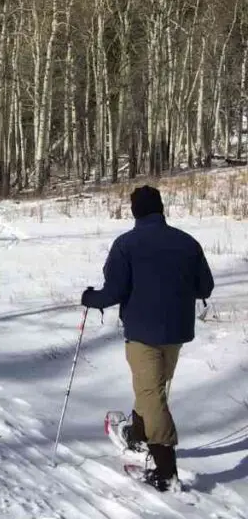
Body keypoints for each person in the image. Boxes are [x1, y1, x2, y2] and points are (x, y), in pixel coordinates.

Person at [82, 185, 214, 492]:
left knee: (152, 394)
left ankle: (166, 471)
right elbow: (204, 287)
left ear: (135, 211)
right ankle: (139, 436)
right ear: (160, 208)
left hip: (143, 333)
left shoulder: (126, 244)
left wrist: (89, 298)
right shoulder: (187, 242)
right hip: (177, 332)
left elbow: (113, 292)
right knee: (152, 387)